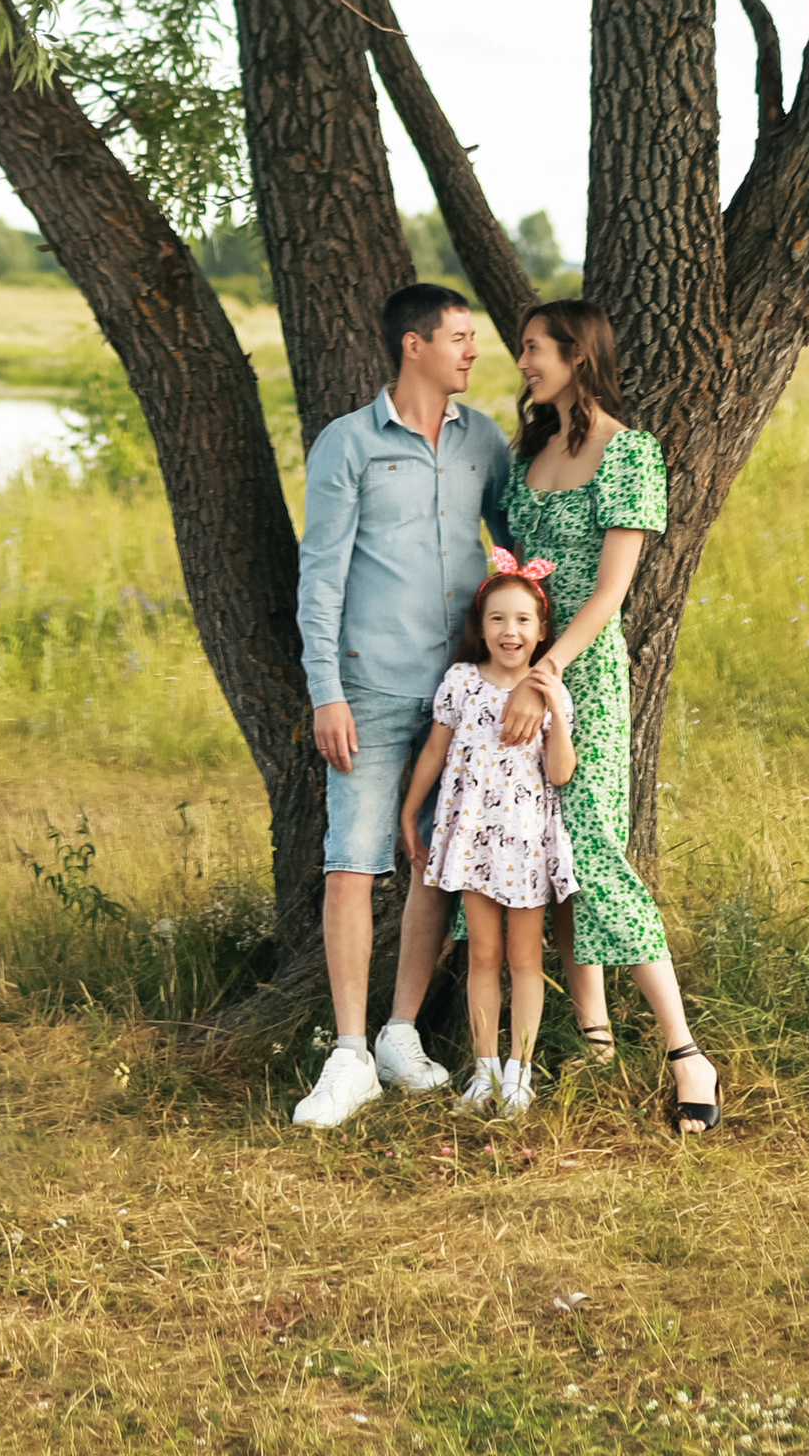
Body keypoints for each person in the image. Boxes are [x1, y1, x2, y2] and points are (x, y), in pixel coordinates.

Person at [291, 278, 517, 1129]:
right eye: (459, 337)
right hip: (372, 688)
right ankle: (347, 1056)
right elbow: (321, 578)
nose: (472, 350)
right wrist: (327, 694)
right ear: (413, 346)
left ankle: (399, 1033)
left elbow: (516, 550)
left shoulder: (484, 442)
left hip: (463, 698)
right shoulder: (347, 445)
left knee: (436, 861)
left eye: (473, 338)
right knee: (352, 861)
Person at [503, 297, 719, 1131]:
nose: (522, 362)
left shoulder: (627, 452)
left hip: (580, 680)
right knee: (541, 848)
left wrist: (549, 672)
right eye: (521, 350)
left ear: (577, 354)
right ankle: (594, 1045)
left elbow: (611, 591)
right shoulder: (529, 451)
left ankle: (687, 1055)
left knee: (592, 849)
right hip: (516, 677)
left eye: (534, 349)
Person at [399, 548, 578, 1113]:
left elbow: (560, 773)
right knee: (483, 954)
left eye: (523, 620)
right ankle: (484, 1072)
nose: (510, 631)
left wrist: (558, 713)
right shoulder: (460, 682)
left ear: (541, 630)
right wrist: (410, 811)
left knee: (525, 959)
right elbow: (435, 749)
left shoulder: (548, 689)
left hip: (525, 844)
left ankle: (520, 1074)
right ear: (481, 627)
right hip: (475, 840)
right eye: (498, 618)